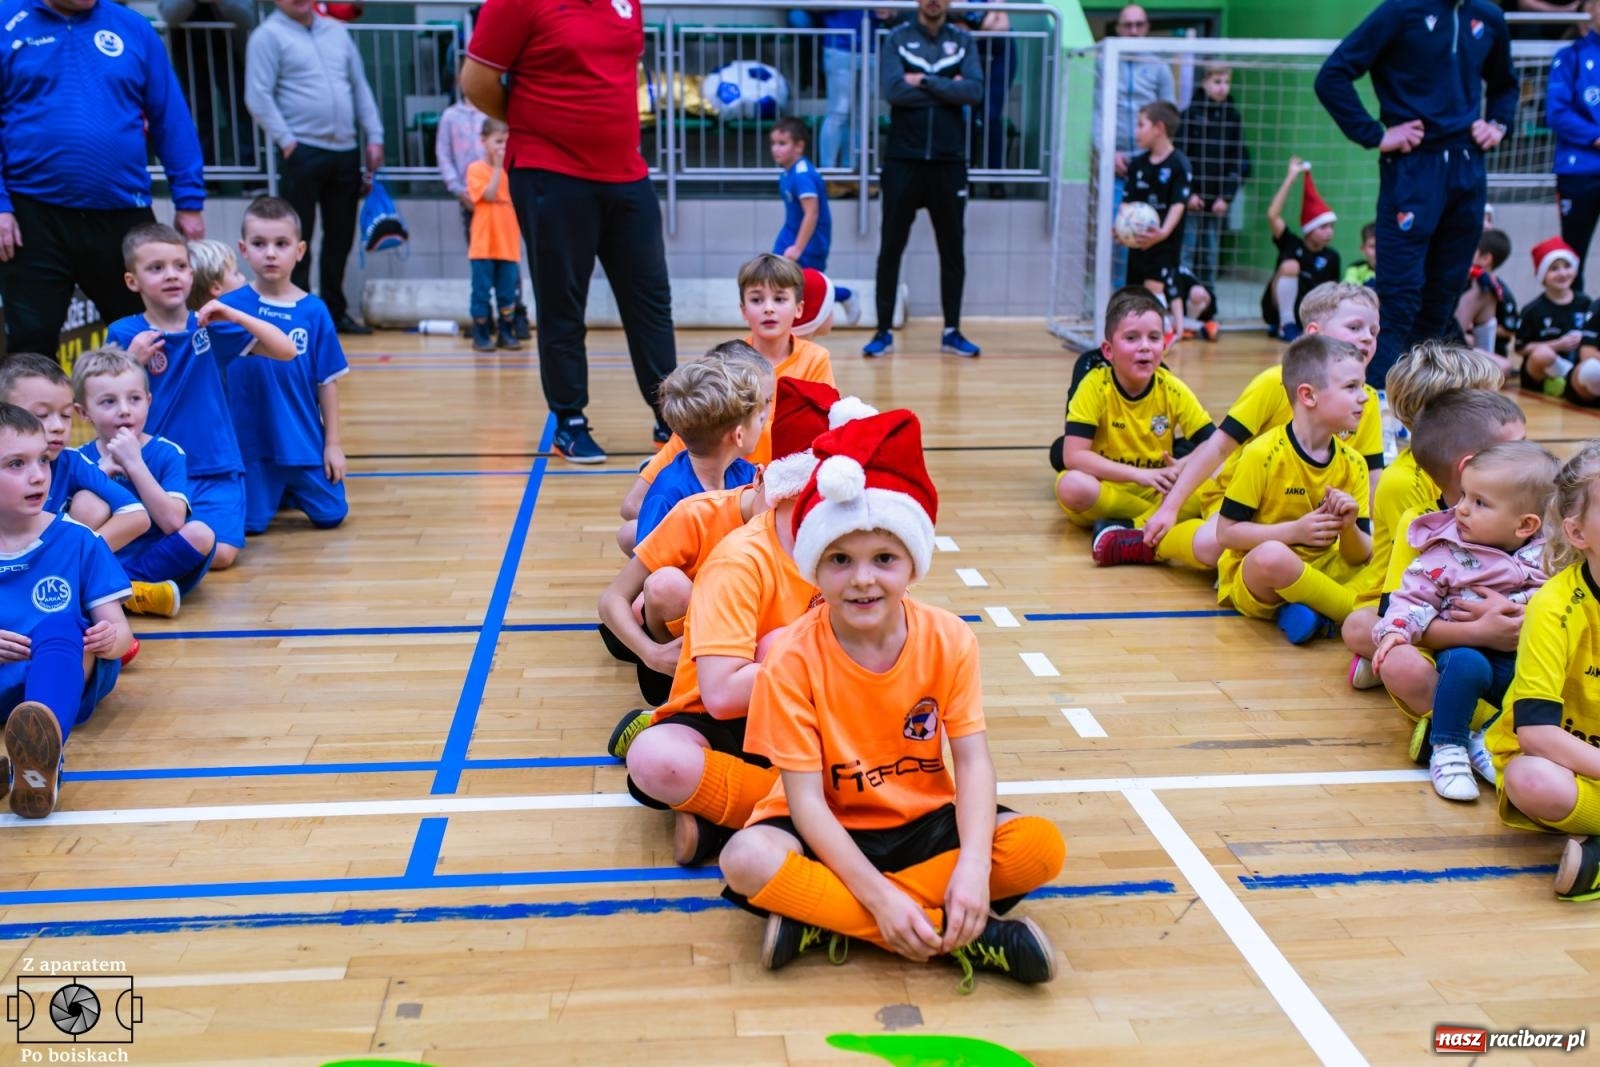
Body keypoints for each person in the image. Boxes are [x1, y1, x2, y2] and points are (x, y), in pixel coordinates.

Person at [719, 409, 1064, 988]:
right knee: (744, 858)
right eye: (840, 560)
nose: (862, 579)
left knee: (1038, 846)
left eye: (884, 559)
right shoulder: (791, 659)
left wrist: (975, 868)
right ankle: (957, 935)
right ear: (814, 567)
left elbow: (973, 761)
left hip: (921, 820)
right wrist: (880, 899)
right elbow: (805, 805)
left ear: (913, 563)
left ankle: (827, 919)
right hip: (825, 826)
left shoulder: (949, 637)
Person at [619, 381, 879, 868]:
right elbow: (720, 696)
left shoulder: (855, 550)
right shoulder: (739, 558)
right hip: (729, 715)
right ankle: (815, 816)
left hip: (809, 716)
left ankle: (732, 814)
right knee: (656, 760)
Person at [462, 0, 679, 464]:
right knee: (563, 303)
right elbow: (475, 82)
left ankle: (671, 416)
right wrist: (536, 119)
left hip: (626, 174)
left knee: (650, 300)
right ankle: (569, 421)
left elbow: (624, 69)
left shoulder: (626, 3)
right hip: (549, 172)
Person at [1316, 0, 1518, 389]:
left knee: (1444, 296)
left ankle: (1419, 404)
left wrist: (1498, 123)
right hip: (1413, 168)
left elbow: (1506, 84)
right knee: (1399, 298)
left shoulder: (1488, 16)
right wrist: (1375, 134)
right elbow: (1332, 76)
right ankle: (1372, 408)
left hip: (1468, 168)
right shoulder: (1400, 11)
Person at [0, 0, 206, 355]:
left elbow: (170, 116)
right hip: (30, 215)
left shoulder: (134, 28)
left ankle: (155, 412)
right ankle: (27, 414)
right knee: (30, 344)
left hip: (122, 213)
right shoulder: (6, 20)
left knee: (150, 336)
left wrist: (189, 201)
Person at [1345, 389, 1529, 770]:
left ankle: (1456, 730)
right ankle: (1481, 733)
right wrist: (1483, 632)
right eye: (1517, 448)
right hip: (1454, 656)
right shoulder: (1423, 525)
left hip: (1524, 657)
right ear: (1469, 466)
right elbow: (1398, 613)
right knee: (1396, 658)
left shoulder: (1535, 515)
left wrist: (1525, 615)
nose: (1528, 457)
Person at [1144, 283, 1387, 561]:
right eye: (1355, 327)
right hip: (1242, 505)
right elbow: (1219, 447)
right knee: (1211, 548)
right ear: (1313, 335)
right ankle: (1150, 542)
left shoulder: (1365, 400)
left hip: (1306, 514)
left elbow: (1372, 476)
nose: (1368, 338)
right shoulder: (1275, 382)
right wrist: (1169, 509)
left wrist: (1374, 539)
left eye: (1374, 331)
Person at [105, 223, 298, 570]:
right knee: (125, 527)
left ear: (191, 274)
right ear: (133, 282)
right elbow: (97, 400)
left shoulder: (209, 325)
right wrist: (131, 363)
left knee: (221, 555)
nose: (171, 276)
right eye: (156, 268)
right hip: (151, 469)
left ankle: (142, 573)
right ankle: (136, 581)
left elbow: (286, 350)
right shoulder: (124, 333)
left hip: (214, 465)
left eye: (180, 266)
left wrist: (235, 313)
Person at [1373, 441, 1557, 801]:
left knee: (1543, 682)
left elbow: (1563, 597)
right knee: (1468, 666)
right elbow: (1412, 597)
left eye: (1480, 503)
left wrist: (1528, 613)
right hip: (1464, 651)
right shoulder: (1447, 551)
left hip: (1522, 655)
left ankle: (1489, 739)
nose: (1462, 510)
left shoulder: (1550, 554)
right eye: (1465, 497)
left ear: (1526, 525)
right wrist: (1394, 632)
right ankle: (1447, 747)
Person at [617, 257, 836, 555]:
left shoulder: (814, 359)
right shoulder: (727, 365)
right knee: (631, 532)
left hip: (769, 493)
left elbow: (819, 436)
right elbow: (631, 505)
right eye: (758, 299)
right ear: (743, 310)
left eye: (779, 298)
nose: (769, 307)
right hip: (724, 482)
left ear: (798, 308)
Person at [1340, 344, 1510, 690]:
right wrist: (1477, 623)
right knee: (1359, 626)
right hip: (1412, 595)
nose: (1503, 411)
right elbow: (1422, 579)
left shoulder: (1500, 470)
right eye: (1490, 403)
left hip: (1477, 586)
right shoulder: (1404, 483)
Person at [0, 403, 134, 818]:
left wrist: (109, 641)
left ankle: (42, 763)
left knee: (60, 625)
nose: (38, 474)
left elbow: (123, 637)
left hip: (61, 680)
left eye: (43, 459)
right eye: (16, 464)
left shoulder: (78, 541)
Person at [1487, 442, 1600, 901]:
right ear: (1577, 533)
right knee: (1529, 780)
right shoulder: (1555, 605)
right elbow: (1535, 733)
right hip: (1566, 764)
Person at [1214, 335, 1372, 645]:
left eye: (1363, 386)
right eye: (1351, 387)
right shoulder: (1263, 454)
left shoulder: (1354, 464)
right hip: (1261, 577)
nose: (1364, 397)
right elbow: (1226, 534)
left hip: (1326, 569)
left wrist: (1349, 526)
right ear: (1308, 396)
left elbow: (1358, 555)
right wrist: (1295, 532)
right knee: (1272, 557)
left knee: (1389, 555)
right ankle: (1354, 614)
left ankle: (1313, 610)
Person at [244, 0, 384, 336]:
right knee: (296, 237)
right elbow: (257, 95)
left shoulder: (337, 32)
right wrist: (288, 141)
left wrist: (375, 135)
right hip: (302, 152)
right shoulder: (267, 36)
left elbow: (360, 87)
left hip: (345, 151)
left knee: (340, 236)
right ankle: (298, 314)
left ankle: (334, 313)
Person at [1054, 289, 1217, 569]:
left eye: (1154, 338)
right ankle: (1151, 523)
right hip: (1107, 489)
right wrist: (1140, 475)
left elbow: (1214, 444)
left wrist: (1182, 466)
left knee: (1220, 475)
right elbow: (1073, 456)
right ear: (1108, 350)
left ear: (1164, 346)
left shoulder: (1172, 388)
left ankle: (1127, 528)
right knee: (1072, 485)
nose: (1145, 346)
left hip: (1159, 490)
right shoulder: (1095, 385)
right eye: (1132, 338)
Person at [219, 197, 351, 537]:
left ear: (300, 250)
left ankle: (289, 487)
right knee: (251, 527)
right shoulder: (227, 308)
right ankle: (272, 487)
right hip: (250, 444)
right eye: (260, 244)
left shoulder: (315, 311)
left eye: (281, 244)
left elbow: (327, 382)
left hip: (300, 438)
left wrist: (332, 444)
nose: (271, 253)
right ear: (243, 249)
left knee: (332, 515)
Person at [861, 0, 985, 360]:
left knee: (952, 250)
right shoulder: (897, 38)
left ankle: (952, 330)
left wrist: (925, 81)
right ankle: (883, 331)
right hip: (903, 160)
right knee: (890, 249)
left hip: (949, 163)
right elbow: (893, 91)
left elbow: (974, 92)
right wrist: (948, 86)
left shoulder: (963, 40)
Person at [73, 347, 217, 617]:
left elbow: (173, 522)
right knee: (85, 506)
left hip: (152, 560)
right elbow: (73, 529)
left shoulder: (167, 453)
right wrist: (100, 472)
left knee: (201, 534)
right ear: (83, 412)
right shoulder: (77, 459)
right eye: (108, 402)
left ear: (149, 401)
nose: (125, 411)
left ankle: (117, 591)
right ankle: (130, 594)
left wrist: (135, 464)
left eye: (135, 399)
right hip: (100, 559)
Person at [0, 353, 152, 557]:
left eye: (65, 415)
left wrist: (72, 557)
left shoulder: (71, 461)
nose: (58, 427)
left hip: (51, 574)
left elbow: (137, 516)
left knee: (92, 504)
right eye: (41, 415)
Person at [634, 344, 772, 545]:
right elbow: (646, 567)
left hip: (726, 572)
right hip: (687, 575)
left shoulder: (746, 474)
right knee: (664, 578)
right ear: (738, 436)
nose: (764, 420)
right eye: (757, 418)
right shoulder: (668, 494)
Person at [436, 64, 529, 341]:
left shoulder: (496, 111)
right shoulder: (451, 116)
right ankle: (482, 324)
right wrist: (457, 188)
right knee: (482, 274)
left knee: (508, 276)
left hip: (505, 216)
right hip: (471, 192)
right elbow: (443, 153)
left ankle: (513, 321)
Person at [768, 117, 856, 318]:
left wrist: (798, 247)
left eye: (782, 144)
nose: (776, 149)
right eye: (773, 143)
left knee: (808, 288)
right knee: (773, 277)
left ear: (799, 146)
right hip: (790, 232)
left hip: (811, 239)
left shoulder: (802, 175)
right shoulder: (787, 172)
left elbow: (812, 213)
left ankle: (844, 295)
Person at [1121, 101, 1192, 333]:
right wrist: (1121, 227)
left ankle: (1167, 331)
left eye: (1141, 125)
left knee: (1154, 287)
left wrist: (1162, 233)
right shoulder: (1138, 165)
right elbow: (1127, 204)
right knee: (1134, 295)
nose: (1136, 131)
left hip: (1164, 243)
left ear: (1158, 128)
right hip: (1138, 244)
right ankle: (1149, 333)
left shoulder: (1179, 164)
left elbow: (1178, 205)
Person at [1176, 63, 1248, 287]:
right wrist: (1188, 194)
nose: (1222, 88)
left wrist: (1226, 197)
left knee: (1210, 252)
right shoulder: (1189, 115)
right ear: (1205, 82)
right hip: (1192, 198)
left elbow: (1237, 159)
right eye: (1217, 82)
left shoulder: (1233, 117)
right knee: (1186, 249)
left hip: (1217, 199)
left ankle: (1209, 301)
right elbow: (1181, 157)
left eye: (1226, 82)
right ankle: (1181, 295)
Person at [1549, 0, 1600, 290]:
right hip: (1580, 171)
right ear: (1591, 8)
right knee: (1572, 257)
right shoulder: (1571, 56)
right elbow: (1557, 112)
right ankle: (1575, 325)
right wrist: (1595, 136)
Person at [1262, 159, 1341, 341]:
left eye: (1331, 227)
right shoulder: (1291, 243)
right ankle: (1285, 323)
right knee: (1290, 265)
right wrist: (1291, 178)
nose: (1329, 232)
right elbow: (1272, 215)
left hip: (1308, 315)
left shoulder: (1332, 256)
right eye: (1323, 227)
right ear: (1309, 229)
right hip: (1276, 311)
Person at [465, 119, 524, 354]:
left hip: (507, 245)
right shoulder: (476, 169)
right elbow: (488, 195)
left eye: (506, 142)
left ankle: (506, 331)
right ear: (484, 141)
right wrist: (499, 167)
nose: (502, 147)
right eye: (498, 141)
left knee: (507, 293)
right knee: (480, 291)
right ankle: (480, 333)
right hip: (483, 245)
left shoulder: (515, 172)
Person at [1515, 237, 1593, 400]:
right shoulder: (1533, 310)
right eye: (1554, 269)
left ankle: (1571, 380)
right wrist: (1557, 345)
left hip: (1577, 362)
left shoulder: (1586, 303)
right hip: (1541, 370)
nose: (1563, 273)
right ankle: (1567, 381)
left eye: (1567, 266)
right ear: (1543, 276)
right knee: (1543, 353)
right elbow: (1521, 348)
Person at [1342, 222, 1378, 287]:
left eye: (1382, 246)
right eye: (1372, 246)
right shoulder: (1355, 269)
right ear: (1363, 249)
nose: (1377, 251)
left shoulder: (1396, 271)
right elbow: (1349, 290)